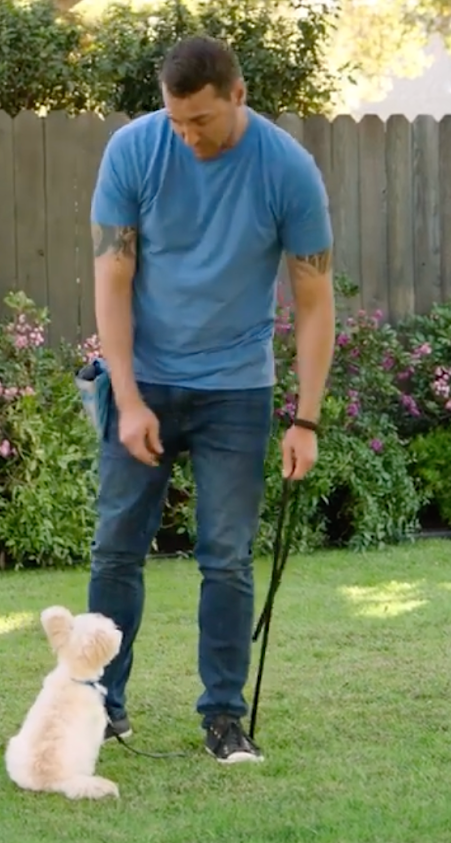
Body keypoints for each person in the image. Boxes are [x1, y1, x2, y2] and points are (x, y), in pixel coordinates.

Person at [85, 34, 335, 764]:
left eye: (202, 121)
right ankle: (101, 706)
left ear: (238, 95)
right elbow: (113, 280)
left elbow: (315, 301)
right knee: (115, 551)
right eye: (176, 120)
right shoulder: (134, 152)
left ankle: (224, 719)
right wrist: (127, 399)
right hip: (147, 377)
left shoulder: (287, 170)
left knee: (226, 558)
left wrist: (307, 417)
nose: (188, 135)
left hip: (236, 387)